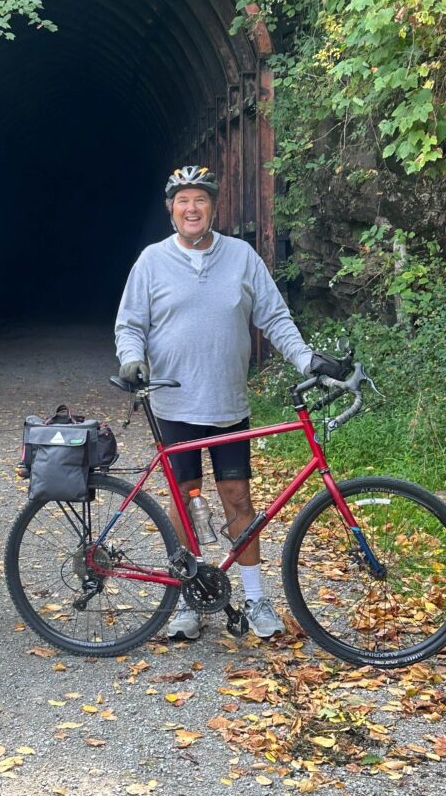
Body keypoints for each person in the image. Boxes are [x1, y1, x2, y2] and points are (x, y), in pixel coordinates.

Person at [115, 166, 329, 642]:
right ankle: (188, 598)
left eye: (201, 200)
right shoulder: (151, 261)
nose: (192, 209)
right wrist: (132, 359)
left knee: (238, 500)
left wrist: (306, 360)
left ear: (214, 207)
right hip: (174, 405)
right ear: (170, 210)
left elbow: (274, 317)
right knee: (185, 504)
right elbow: (130, 324)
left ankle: (254, 598)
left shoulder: (241, 257)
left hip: (228, 403)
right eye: (183, 201)